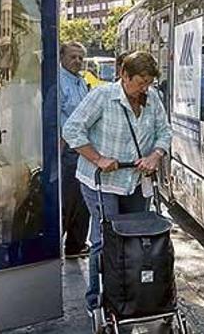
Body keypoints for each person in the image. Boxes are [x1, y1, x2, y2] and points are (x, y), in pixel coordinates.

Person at [62, 51, 171, 319]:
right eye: (140, 82)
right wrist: (98, 158)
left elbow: (164, 131)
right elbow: (72, 129)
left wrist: (155, 155)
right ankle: (96, 300)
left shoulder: (152, 97)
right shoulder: (102, 96)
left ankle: (131, 295)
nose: (144, 88)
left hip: (135, 180)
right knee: (106, 241)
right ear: (124, 75)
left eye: (148, 82)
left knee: (136, 240)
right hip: (101, 182)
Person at [58, 42, 91, 258]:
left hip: (83, 149)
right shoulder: (60, 80)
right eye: (73, 57)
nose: (77, 61)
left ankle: (76, 245)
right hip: (68, 149)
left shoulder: (80, 81)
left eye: (80, 57)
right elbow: (58, 117)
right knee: (67, 199)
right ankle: (60, 245)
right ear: (62, 57)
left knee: (83, 199)